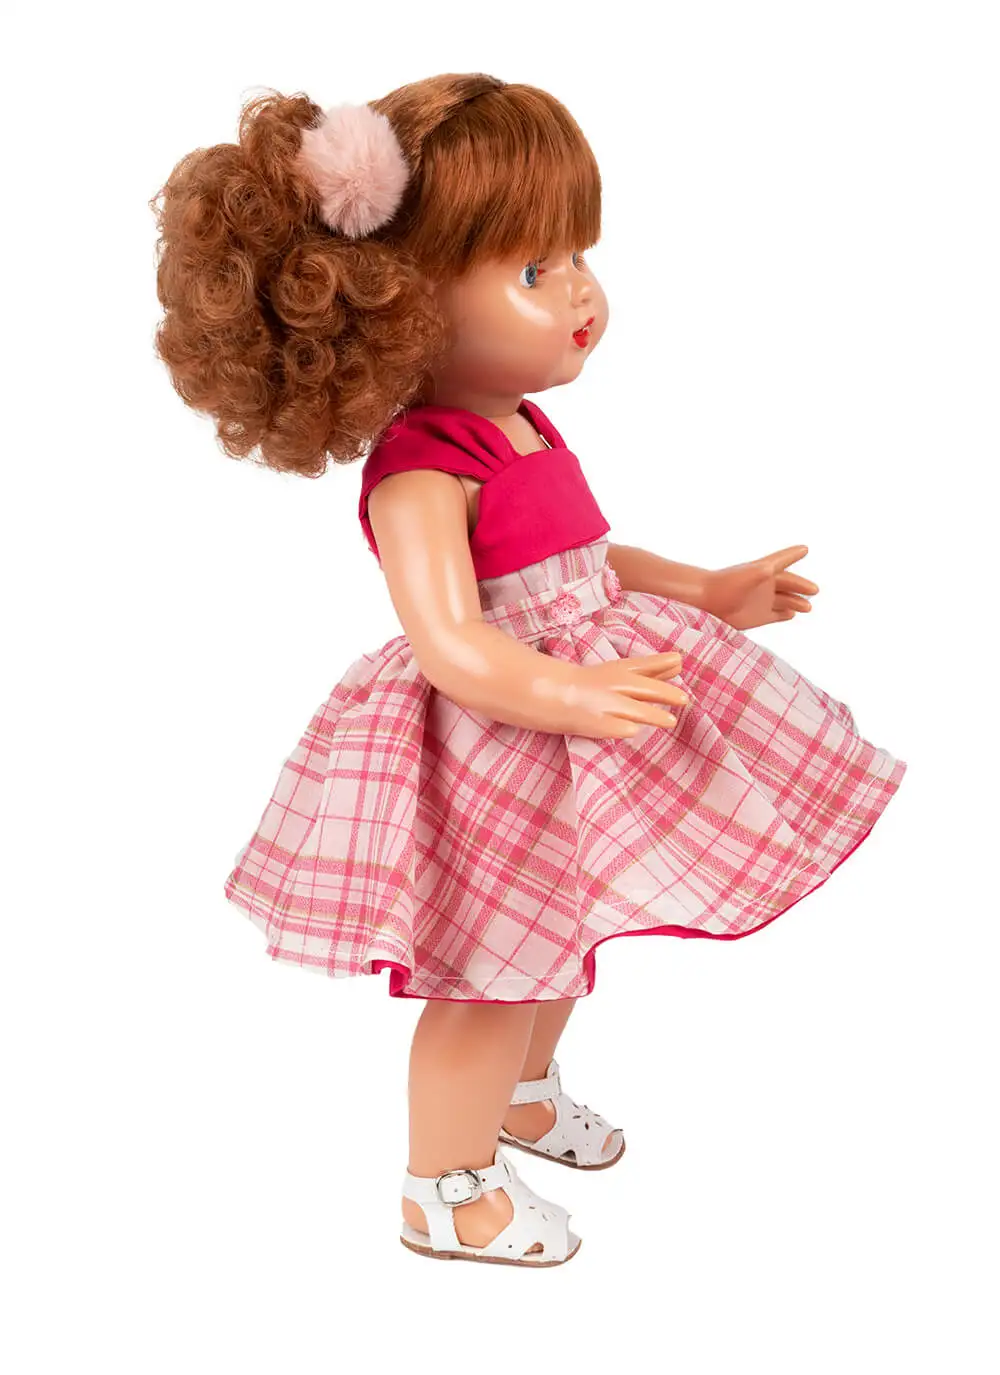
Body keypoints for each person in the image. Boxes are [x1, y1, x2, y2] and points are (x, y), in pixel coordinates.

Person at [149, 73, 907, 1268]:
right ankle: (445, 1188)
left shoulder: (524, 426)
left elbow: (586, 559)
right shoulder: (420, 469)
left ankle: (524, 1098)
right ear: (398, 303)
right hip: (492, 742)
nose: (581, 293)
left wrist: (705, 590)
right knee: (488, 976)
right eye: (534, 269)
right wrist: (561, 690)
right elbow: (449, 638)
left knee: (561, 941)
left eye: (577, 257)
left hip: (566, 735)